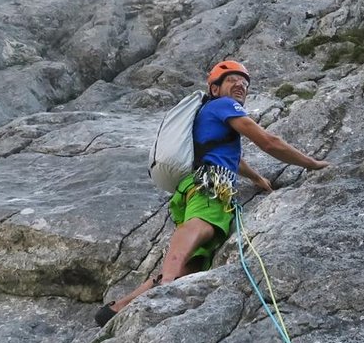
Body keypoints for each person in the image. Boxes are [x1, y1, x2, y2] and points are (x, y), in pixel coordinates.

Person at [97, 60, 328, 323]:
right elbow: (268, 142)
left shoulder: (211, 116)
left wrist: (256, 177)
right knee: (201, 227)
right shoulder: (223, 105)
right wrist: (312, 163)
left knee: (193, 265)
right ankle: (167, 282)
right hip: (209, 185)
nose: (240, 84)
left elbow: (226, 155)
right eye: (232, 80)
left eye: (244, 82)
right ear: (215, 89)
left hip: (194, 187)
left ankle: (119, 307)